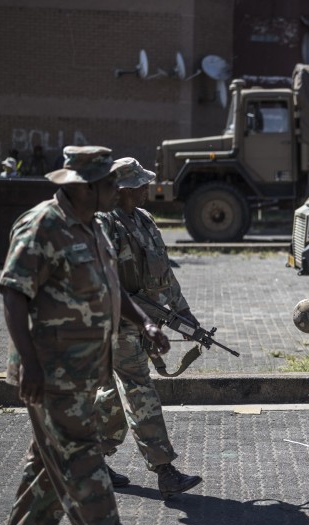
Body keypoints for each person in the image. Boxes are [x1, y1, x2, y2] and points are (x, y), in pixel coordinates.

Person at [0, 145, 173, 525]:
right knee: (81, 458)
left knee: (49, 459)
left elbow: (113, 287)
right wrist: (31, 366)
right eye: (110, 184)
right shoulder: (43, 225)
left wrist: (146, 322)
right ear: (84, 187)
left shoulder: (94, 227)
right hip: (51, 373)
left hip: (83, 370)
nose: (118, 190)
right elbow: (14, 295)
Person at [94, 157, 203, 498]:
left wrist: (184, 316)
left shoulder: (145, 220)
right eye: (140, 184)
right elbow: (105, 281)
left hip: (146, 322)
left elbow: (164, 275)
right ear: (123, 189)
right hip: (117, 324)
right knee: (140, 391)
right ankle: (164, 470)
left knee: (115, 396)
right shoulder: (104, 224)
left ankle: (85, 460)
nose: (147, 189)